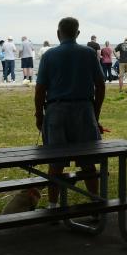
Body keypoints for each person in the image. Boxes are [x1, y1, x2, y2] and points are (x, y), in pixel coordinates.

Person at [34, 17, 106, 213]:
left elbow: (40, 89)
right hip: (84, 110)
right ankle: (94, 203)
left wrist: (39, 115)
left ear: (58, 33)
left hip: (56, 111)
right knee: (88, 163)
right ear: (78, 33)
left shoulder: (49, 55)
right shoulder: (89, 54)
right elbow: (100, 86)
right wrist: (95, 112)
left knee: (55, 164)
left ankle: (53, 206)